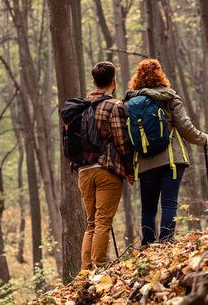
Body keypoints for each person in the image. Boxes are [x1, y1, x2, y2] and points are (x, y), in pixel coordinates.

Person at [124, 59, 208, 246]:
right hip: (171, 159)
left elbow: (128, 137)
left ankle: (147, 246)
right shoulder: (169, 97)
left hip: (145, 162)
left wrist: (129, 166)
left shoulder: (130, 103)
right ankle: (166, 244)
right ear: (160, 74)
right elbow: (185, 126)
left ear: (137, 77)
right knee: (169, 203)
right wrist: (202, 138)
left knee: (148, 209)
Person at [78, 61, 135, 271]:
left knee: (91, 223)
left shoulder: (81, 105)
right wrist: (130, 170)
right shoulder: (114, 105)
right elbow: (121, 141)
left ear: (94, 82)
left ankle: (86, 272)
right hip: (107, 171)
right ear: (115, 81)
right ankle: (99, 269)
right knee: (103, 222)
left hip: (83, 171)